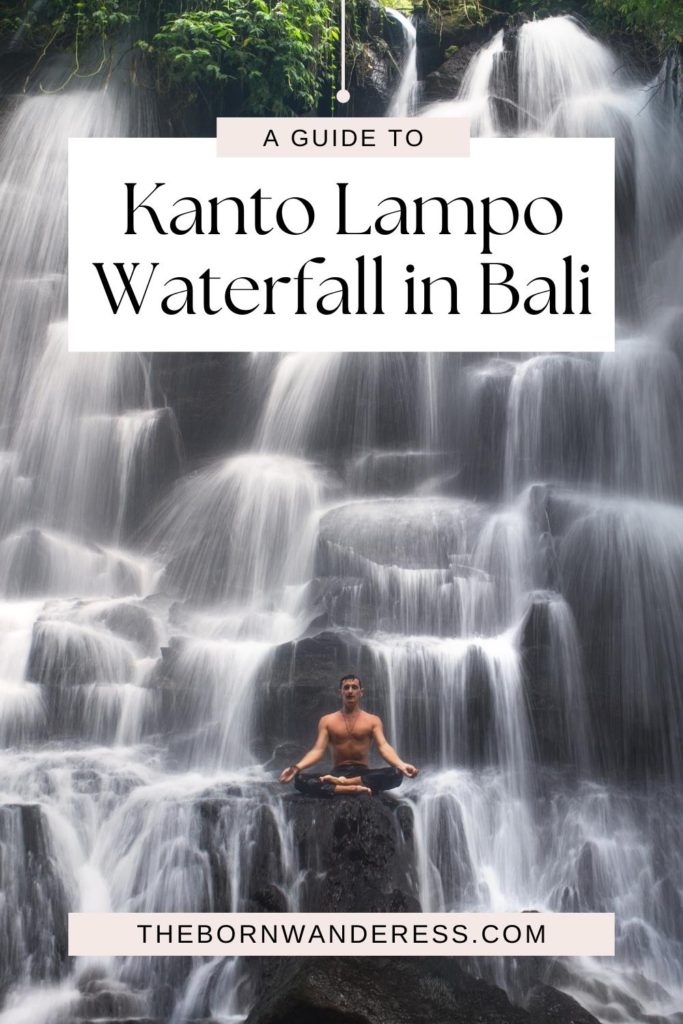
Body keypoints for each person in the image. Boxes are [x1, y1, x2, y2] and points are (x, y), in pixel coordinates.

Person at [278, 674, 419, 797]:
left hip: (362, 774)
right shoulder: (327, 720)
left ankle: (343, 785)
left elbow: (383, 747)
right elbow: (317, 750)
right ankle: (350, 788)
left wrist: (402, 765)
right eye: (346, 687)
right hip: (337, 772)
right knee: (300, 780)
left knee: (396, 774)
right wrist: (295, 768)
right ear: (340, 692)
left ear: (361, 692)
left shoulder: (373, 720)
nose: (350, 691)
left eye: (354, 687)